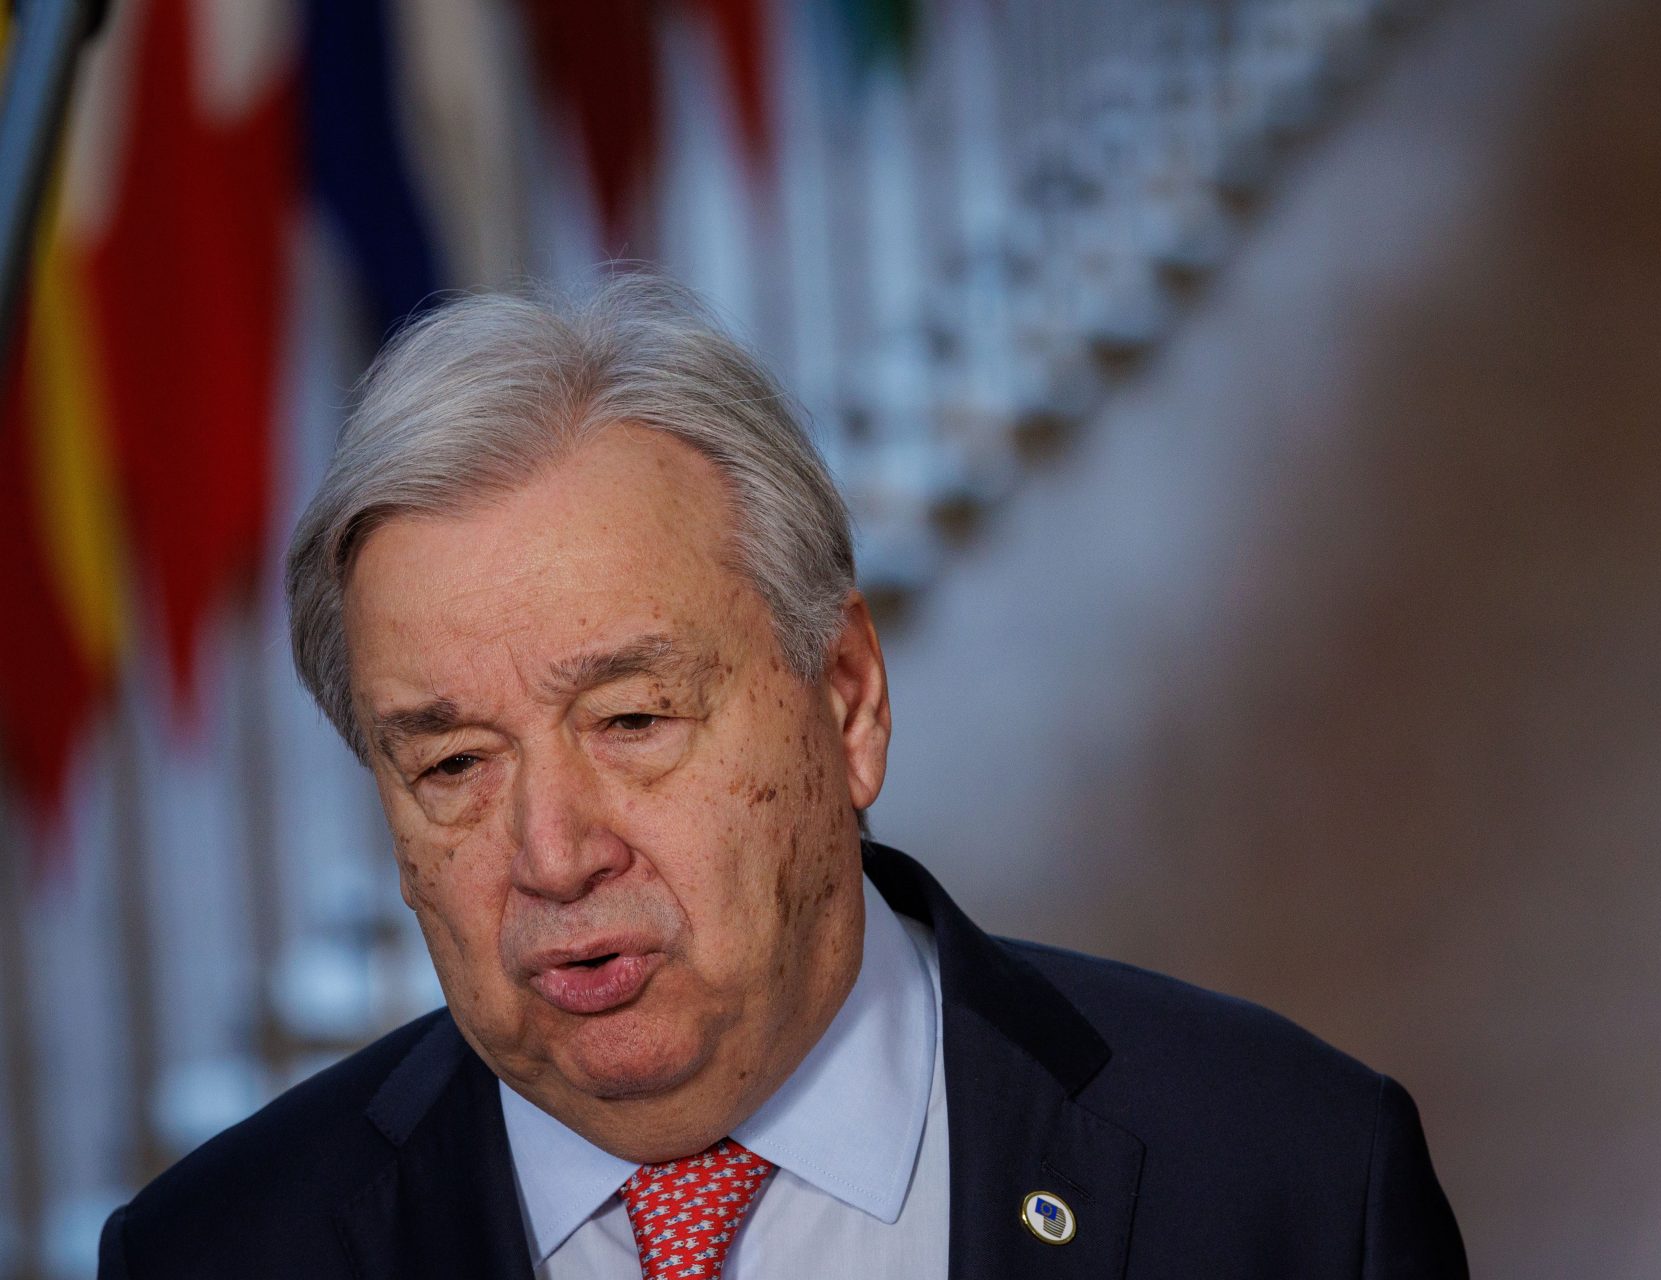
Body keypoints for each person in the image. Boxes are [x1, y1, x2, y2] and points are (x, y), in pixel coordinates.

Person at [99, 273, 1468, 1279]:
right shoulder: (217, 1257)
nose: (554, 851)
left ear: (849, 700)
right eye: (453, 760)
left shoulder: (1281, 1187)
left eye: (633, 720)